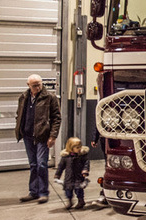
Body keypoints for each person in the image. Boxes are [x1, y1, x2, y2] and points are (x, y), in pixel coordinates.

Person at [15, 74, 61, 204]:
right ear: (28, 85)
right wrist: (20, 128)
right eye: (35, 85)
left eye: (39, 84)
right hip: (28, 135)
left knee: (41, 164)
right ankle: (33, 192)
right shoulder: (24, 97)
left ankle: (43, 193)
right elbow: (19, 114)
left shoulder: (49, 97)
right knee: (33, 164)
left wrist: (53, 136)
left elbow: (57, 118)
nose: (38, 87)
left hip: (42, 136)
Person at [55, 137, 90, 209]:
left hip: (78, 176)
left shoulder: (82, 156)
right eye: (77, 147)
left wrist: (85, 171)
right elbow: (61, 166)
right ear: (71, 148)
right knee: (68, 190)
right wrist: (57, 175)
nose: (79, 148)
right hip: (69, 177)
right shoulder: (66, 157)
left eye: (80, 147)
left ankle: (81, 201)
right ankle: (70, 201)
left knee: (79, 189)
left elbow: (86, 163)